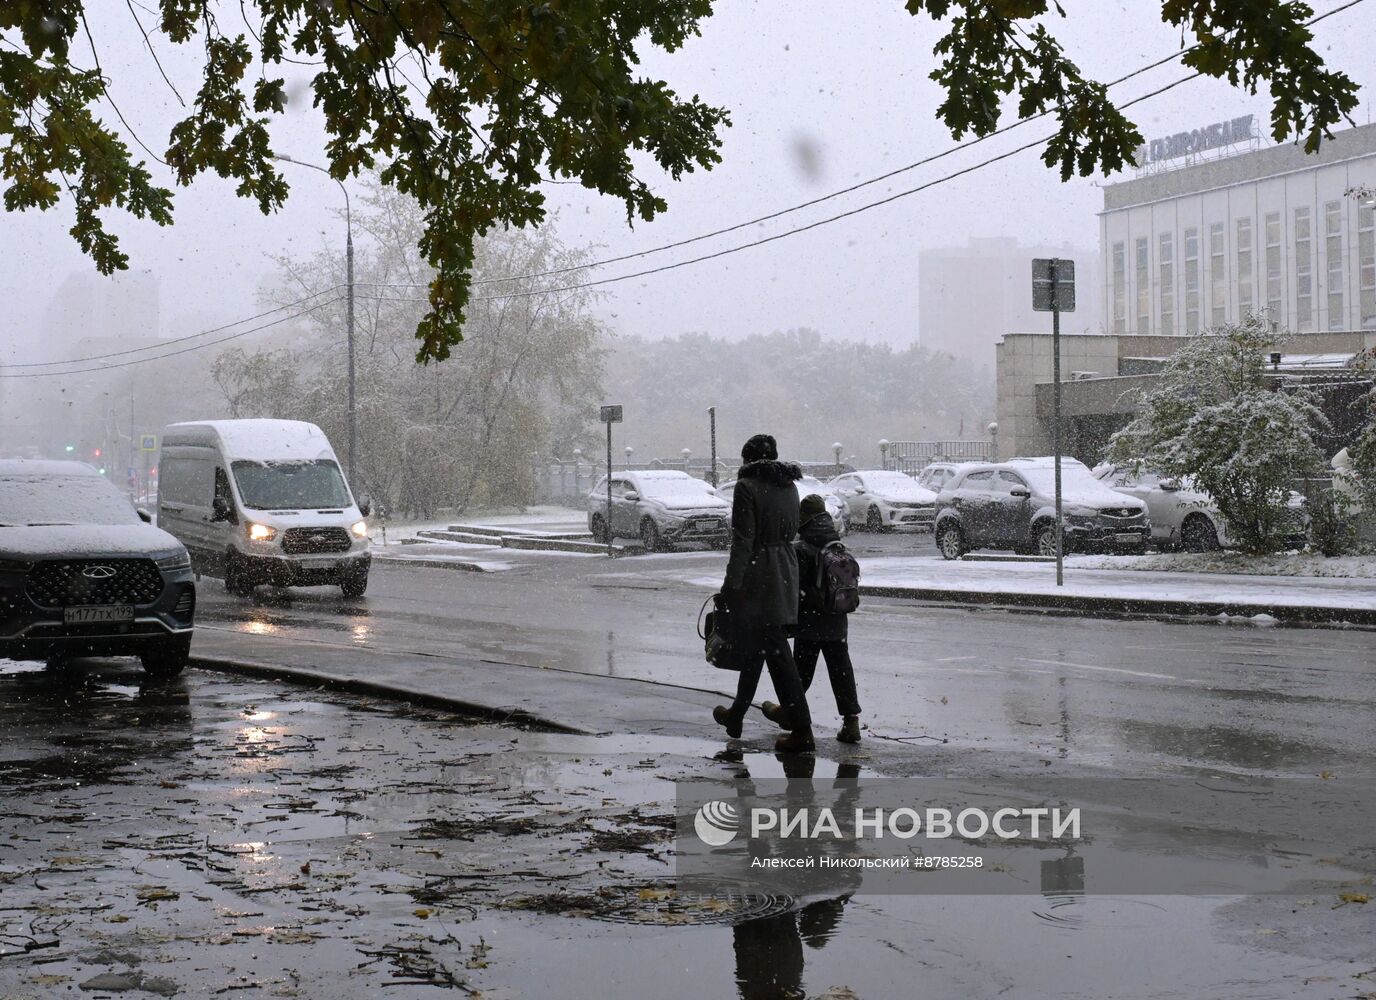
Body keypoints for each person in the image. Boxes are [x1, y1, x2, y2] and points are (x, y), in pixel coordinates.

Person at [712, 433, 815, 753]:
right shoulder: (790, 486)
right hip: (785, 570)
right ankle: (736, 714)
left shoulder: (746, 487)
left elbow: (743, 541)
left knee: (777, 654)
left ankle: (802, 729)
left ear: (748, 459)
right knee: (758, 649)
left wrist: (731, 585)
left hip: (759, 577)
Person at [764, 494, 862, 743]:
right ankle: (851, 723)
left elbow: (793, 588)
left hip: (810, 623)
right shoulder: (837, 544)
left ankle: (790, 714)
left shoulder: (802, 548)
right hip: (837, 620)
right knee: (841, 671)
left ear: (803, 518)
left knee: (799, 674)